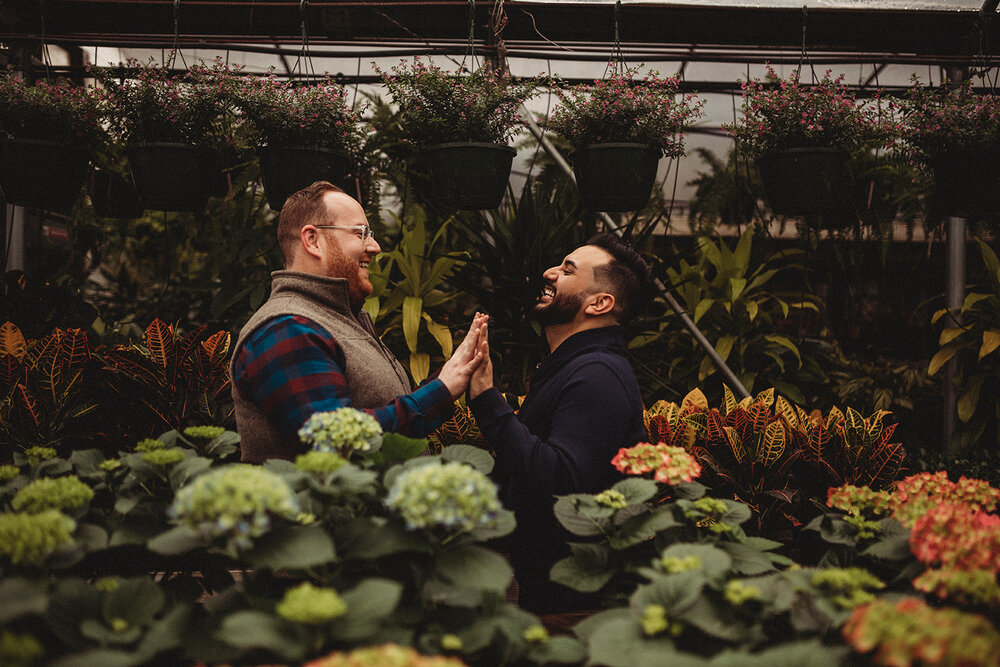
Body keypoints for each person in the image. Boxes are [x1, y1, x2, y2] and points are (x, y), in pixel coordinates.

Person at [231, 181, 486, 463]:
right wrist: (442, 390)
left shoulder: (335, 317)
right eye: (360, 233)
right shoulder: (286, 328)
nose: (375, 247)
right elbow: (334, 442)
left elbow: (378, 413)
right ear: (313, 240)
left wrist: (449, 377)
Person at [468, 232, 651, 615]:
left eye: (568, 270)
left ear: (600, 303)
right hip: (550, 591)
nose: (550, 272)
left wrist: (486, 398)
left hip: (574, 607)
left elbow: (560, 477)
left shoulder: (598, 374)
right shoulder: (575, 365)